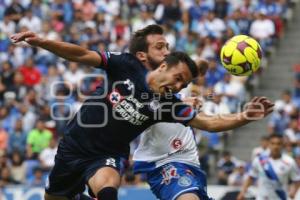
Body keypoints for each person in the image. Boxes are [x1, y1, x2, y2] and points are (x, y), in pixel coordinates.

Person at [11, 25, 274, 200]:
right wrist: (43, 42)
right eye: (178, 78)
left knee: (108, 191)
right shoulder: (125, 65)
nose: (179, 85)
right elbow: (80, 54)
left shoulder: (167, 103)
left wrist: (245, 115)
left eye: (184, 83)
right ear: (158, 65)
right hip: (72, 146)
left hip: (107, 155)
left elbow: (209, 122)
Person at [237, 134, 300, 200]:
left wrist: (293, 193)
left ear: (282, 145)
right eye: (273, 143)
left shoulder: (289, 162)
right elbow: (251, 177)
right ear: (269, 144)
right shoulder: (259, 160)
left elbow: (297, 180)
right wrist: (242, 192)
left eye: (278, 144)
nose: (275, 146)